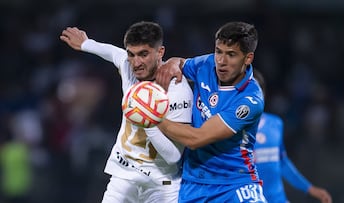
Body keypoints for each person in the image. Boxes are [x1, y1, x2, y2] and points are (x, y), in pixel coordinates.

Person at [60, 21, 193, 203]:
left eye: (143, 54)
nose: (136, 63)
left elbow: (173, 156)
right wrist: (86, 44)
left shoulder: (178, 89)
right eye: (132, 54)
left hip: (162, 184)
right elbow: (114, 53)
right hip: (123, 176)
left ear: (160, 52)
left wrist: (149, 121)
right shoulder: (129, 67)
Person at [155, 21, 267, 202]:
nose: (221, 61)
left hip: (234, 185)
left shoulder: (249, 101)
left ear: (248, 58)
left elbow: (196, 139)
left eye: (231, 55)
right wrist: (174, 62)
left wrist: (152, 117)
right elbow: (182, 64)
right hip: (193, 185)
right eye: (218, 51)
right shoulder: (206, 65)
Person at [253, 70, 332, 203]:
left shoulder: (275, 123)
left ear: (263, 94)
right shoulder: (230, 130)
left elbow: (282, 162)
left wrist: (310, 188)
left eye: (256, 90)